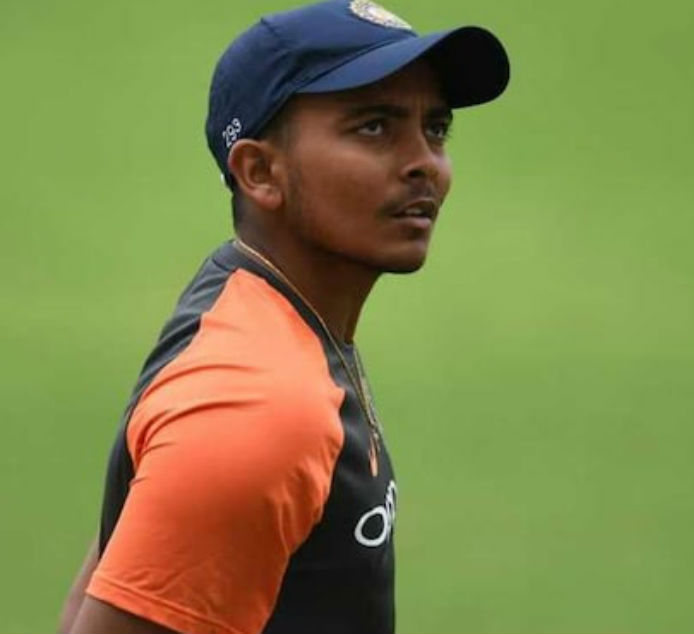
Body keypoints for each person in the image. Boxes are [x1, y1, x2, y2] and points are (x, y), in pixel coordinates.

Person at [57, 1, 509, 632]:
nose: (424, 162)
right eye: (374, 127)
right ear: (260, 172)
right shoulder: (258, 407)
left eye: (435, 129)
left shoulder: (256, 301)